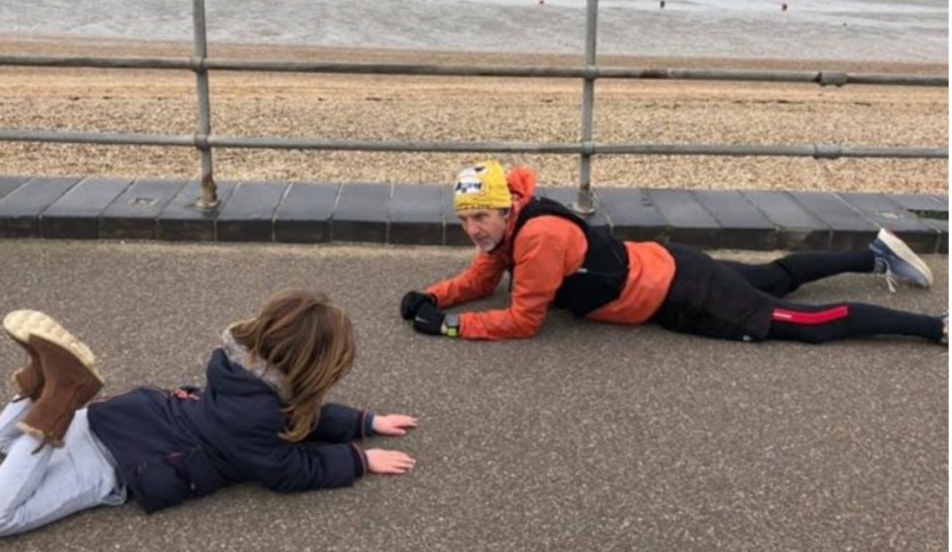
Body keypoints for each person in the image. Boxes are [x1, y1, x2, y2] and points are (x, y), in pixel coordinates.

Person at [0, 291, 418, 537]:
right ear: (312, 369)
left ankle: (45, 390)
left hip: (110, 419)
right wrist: (358, 459)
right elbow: (289, 469)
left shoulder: (234, 370)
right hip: (115, 462)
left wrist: (364, 423)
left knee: (8, 442)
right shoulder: (256, 422)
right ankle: (58, 399)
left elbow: (300, 418)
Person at [400, 159, 947, 345]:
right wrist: (433, 295)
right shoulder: (516, 220)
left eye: (479, 218)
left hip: (678, 293)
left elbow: (523, 321)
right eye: (464, 219)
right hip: (668, 261)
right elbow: (481, 279)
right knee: (773, 276)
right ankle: (873, 252)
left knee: (804, 321)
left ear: (504, 208)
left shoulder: (538, 238)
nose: (472, 229)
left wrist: (448, 328)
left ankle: (937, 329)